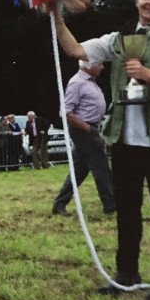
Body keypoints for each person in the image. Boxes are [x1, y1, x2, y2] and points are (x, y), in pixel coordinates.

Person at [53, 0, 150, 300]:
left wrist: (148, 74)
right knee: (127, 209)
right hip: (124, 140)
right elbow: (76, 50)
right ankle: (127, 274)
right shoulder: (118, 38)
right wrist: (56, 16)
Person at [52, 61, 115, 217]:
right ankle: (111, 206)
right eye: (99, 64)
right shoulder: (77, 82)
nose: (102, 67)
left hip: (88, 129)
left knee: (79, 170)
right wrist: (87, 128)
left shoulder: (89, 82)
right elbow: (65, 111)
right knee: (101, 167)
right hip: (84, 130)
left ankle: (59, 204)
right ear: (89, 65)